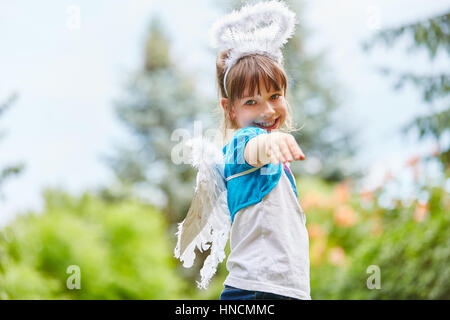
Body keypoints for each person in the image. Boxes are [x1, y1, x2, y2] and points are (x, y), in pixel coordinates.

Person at [213, 1, 311, 300]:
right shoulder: (242, 145)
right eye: (251, 102)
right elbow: (254, 147)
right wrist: (270, 142)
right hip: (256, 291)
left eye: (275, 95)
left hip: (285, 291)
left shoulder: (278, 165)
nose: (267, 110)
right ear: (230, 109)